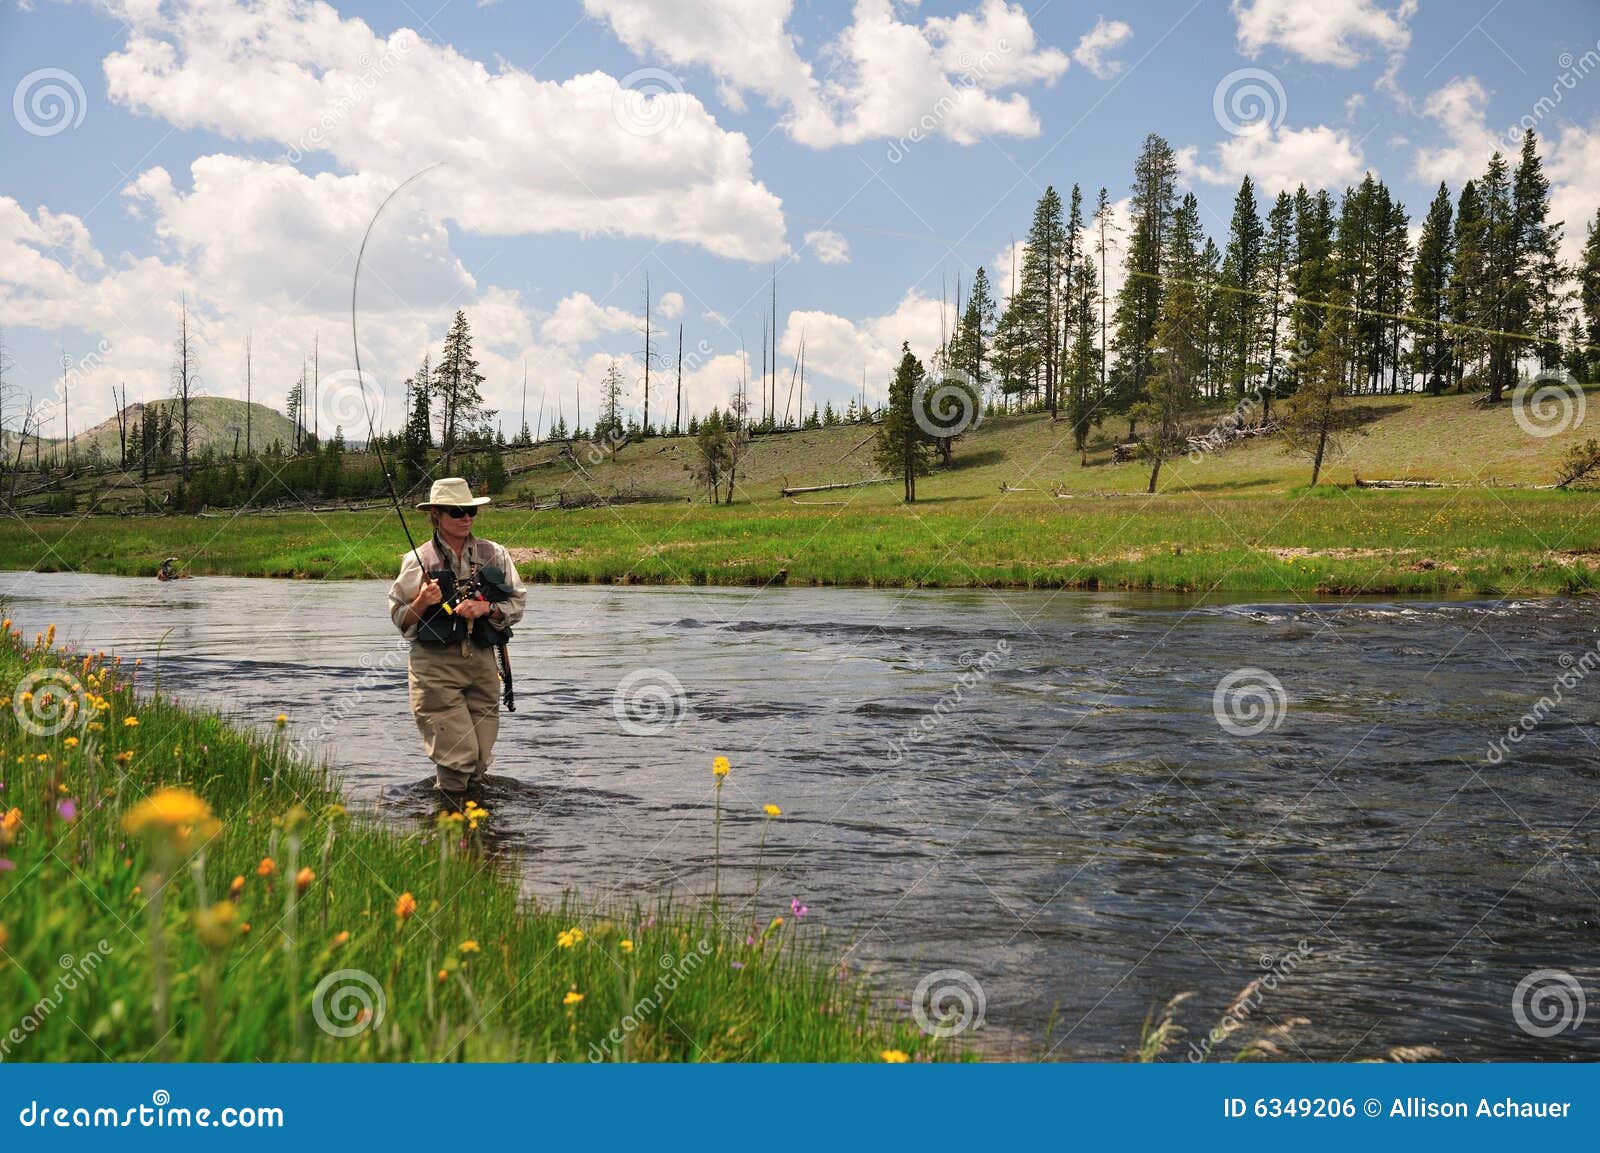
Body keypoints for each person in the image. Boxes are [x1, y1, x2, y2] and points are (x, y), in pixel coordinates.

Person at [388, 477, 527, 804]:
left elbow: (517, 603)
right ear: (436, 514)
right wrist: (422, 600)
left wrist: (486, 608)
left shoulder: (496, 554)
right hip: (435, 668)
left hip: (482, 663)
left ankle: (473, 831)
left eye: (470, 511)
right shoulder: (417, 559)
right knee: (457, 758)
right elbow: (400, 618)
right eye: (456, 512)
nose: (465, 518)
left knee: (478, 759)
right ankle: (452, 832)